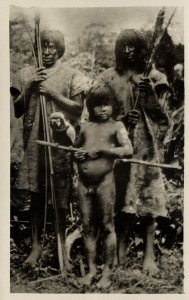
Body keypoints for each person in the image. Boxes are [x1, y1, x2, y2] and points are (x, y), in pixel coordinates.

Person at [10, 29, 90, 269]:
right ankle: (35, 249)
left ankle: (60, 247)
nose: (47, 51)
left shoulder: (72, 75)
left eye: (52, 46)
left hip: (60, 145)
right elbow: (17, 109)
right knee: (35, 195)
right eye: (43, 46)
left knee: (60, 197)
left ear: (60, 49)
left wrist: (52, 92)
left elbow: (77, 110)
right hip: (34, 144)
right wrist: (31, 87)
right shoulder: (25, 74)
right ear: (37, 48)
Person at [96, 29, 169, 275]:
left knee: (147, 199)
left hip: (145, 149)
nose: (128, 51)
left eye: (133, 46)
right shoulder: (108, 78)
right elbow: (96, 114)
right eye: (123, 46)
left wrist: (148, 96)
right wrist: (121, 118)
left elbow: (162, 119)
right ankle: (120, 251)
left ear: (142, 50)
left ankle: (149, 255)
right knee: (120, 199)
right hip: (119, 148)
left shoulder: (156, 78)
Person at [74, 83, 133, 288]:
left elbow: (128, 150)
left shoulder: (116, 126)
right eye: (98, 105)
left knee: (107, 226)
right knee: (88, 227)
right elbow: (76, 148)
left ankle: (107, 273)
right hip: (83, 182)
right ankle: (91, 271)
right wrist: (77, 154)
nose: (102, 109)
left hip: (105, 182)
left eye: (106, 104)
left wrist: (103, 149)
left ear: (113, 106)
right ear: (91, 106)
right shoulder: (86, 126)